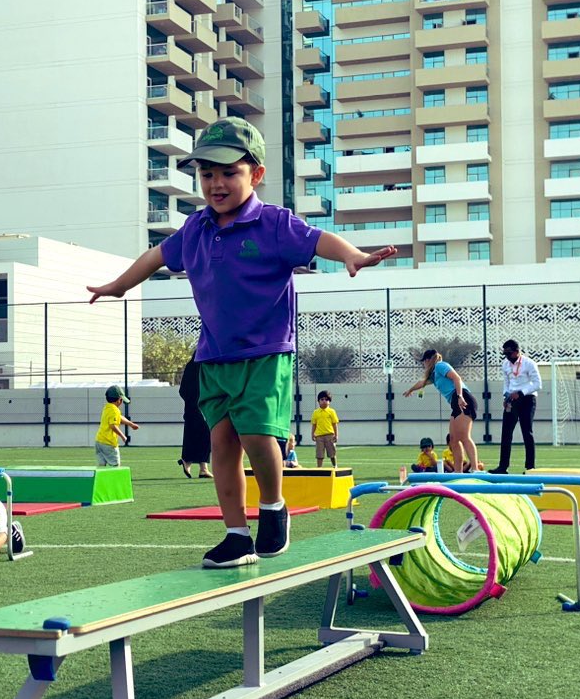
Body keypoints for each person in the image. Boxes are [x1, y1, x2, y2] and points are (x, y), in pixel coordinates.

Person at [87, 116, 396, 568]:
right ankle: (236, 534)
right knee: (222, 444)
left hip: (265, 352)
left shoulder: (272, 224)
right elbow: (155, 256)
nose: (216, 183)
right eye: (206, 174)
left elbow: (319, 239)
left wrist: (351, 255)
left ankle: (273, 507)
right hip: (214, 355)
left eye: (228, 172)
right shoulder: (195, 228)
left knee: (255, 434)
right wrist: (119, 285)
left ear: (256, 174)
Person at [403, 349, 479, 474]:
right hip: (455, 403)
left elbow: (457, 378)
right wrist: (410, 390)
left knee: (464, 436)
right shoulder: (433, 374)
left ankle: (475, 469)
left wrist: (460, 396)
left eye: (424, 362)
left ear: (428, 360)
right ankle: (458, 471)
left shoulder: (440, 366)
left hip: (463, 399)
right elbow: (422, 383)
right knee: (454, 439)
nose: (424, 365)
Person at [489, 339, 542, 475]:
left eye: (510, 354)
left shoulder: (529, 363)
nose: (507, 357)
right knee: (506, 433)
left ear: (518, 351)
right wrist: (506, 396)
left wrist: (520, 393)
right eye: (505, 354)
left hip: (527, 399)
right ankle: (503, 466)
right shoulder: (505, 364)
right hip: (511, 400)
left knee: (527, 432)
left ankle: (530, 467)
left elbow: (537, 384)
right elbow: (506, 383)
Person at [177, 353, 213, 479]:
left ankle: (188, 462)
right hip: (206, 406)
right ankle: (203, 468)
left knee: (191, 435)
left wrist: (190, 402)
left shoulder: (190, 366)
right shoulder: (207, 366)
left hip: (191, 408)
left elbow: (182, 390)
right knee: (206, 435)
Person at [95, 384, 138, 467]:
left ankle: (102, 480)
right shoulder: (115, 410)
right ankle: (113, 480)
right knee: (115, 465)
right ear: (119, 400)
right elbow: (113, 426)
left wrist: (131, 424)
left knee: (102, 466)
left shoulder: (107, 407)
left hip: (99, 441)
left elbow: (119, 418)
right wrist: (123, 436)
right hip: (108, 443)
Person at [311, 389, 340, 467]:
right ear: (318, 401)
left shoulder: (332, 412)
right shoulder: (315, 412)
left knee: (332, 453)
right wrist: (313, 434)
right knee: (319, 454)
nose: (324, 401)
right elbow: (314, 424)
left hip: (330, 435)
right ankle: (319, 469)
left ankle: (335, 466)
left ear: (329, 401)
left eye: (326, 399)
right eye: (322, 399)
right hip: (319, 436)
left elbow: (334, 424)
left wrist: (336, 435)